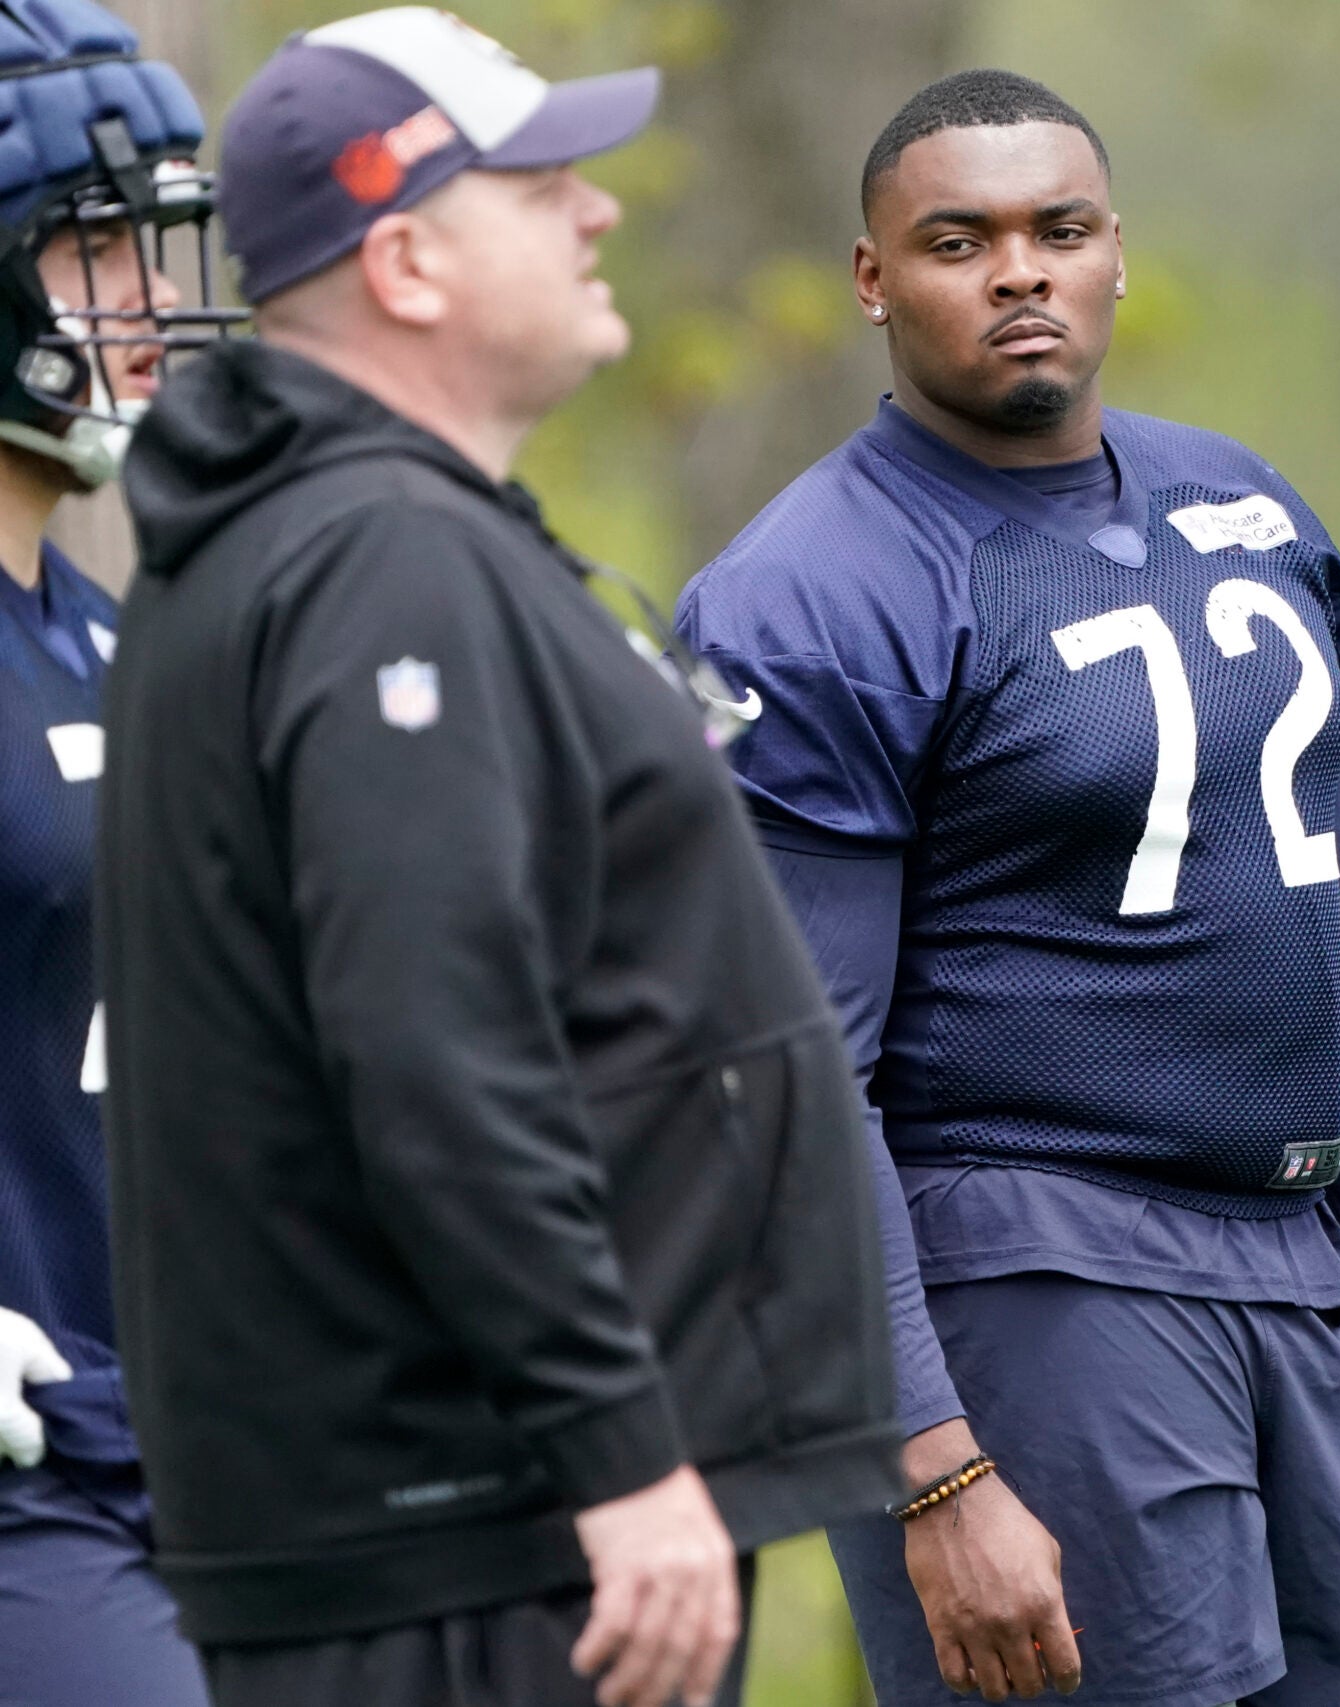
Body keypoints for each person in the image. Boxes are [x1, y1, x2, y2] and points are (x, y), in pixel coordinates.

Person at [676, 68, 1340, 1707]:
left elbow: (1339, 944)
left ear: (1115, 254)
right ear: (873, 278)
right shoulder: (815, 592)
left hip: (1295, 1268)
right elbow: (788, 1084)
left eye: (1057, 229)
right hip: (1037, 1282)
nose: (1019, 271)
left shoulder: (1245, 505)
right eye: (959, 239)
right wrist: (934, 1470)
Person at [96, 12, 899, 1707]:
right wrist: (619, 1454)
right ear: (405, 261)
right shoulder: (377, 562)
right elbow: (436, 1048)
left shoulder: (338, 538)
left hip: (471, 1525)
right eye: (536, 186)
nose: (594, 211)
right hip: (479, 1535)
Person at [0, 5, 242, 1704]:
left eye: (153, 245)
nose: (149, 303)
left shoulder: (112, 632)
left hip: (164, 1436)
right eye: (93, 250)